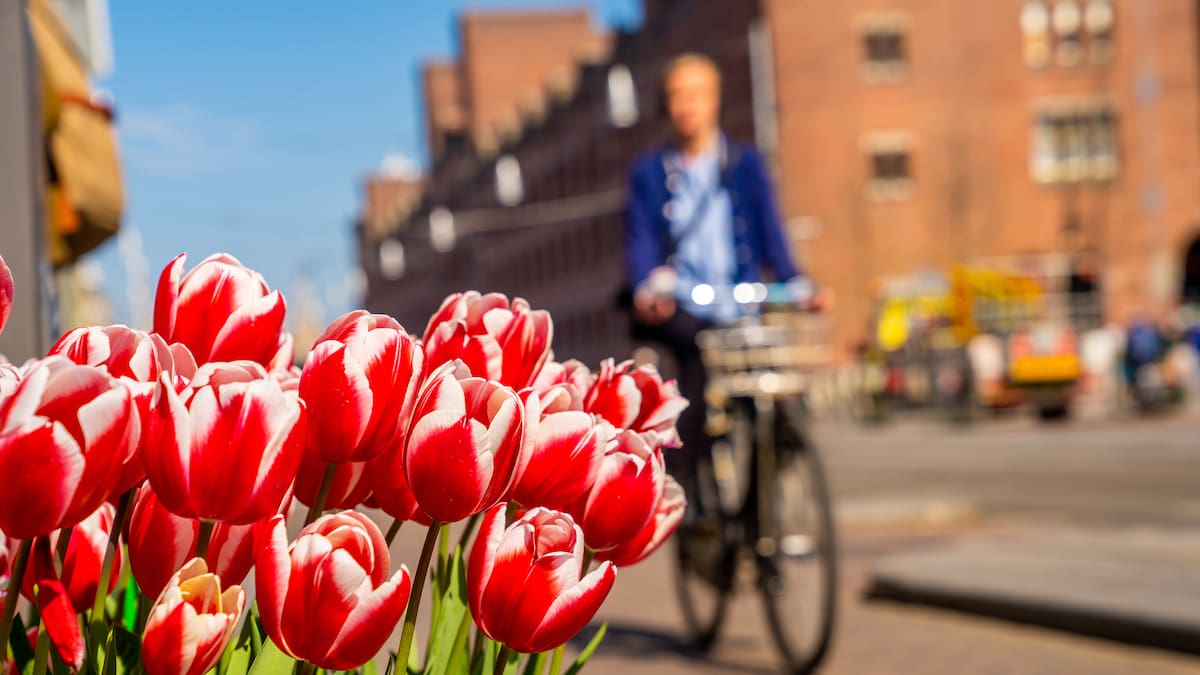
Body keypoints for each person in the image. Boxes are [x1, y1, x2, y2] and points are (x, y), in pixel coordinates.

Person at [622, 52, 812, 494]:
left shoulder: (745, 164)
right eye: (677, 95)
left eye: (698, 94)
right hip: (683, 303)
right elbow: (641, 239)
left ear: (715, 101)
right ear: (666, 105)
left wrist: (797, 283)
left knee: (775, 375)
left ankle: (775, 472)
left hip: (740, 300)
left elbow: (771, 232)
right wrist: (645, 286)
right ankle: (683, 486)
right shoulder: (649, 173)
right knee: (699, 368)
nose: (687, 104)